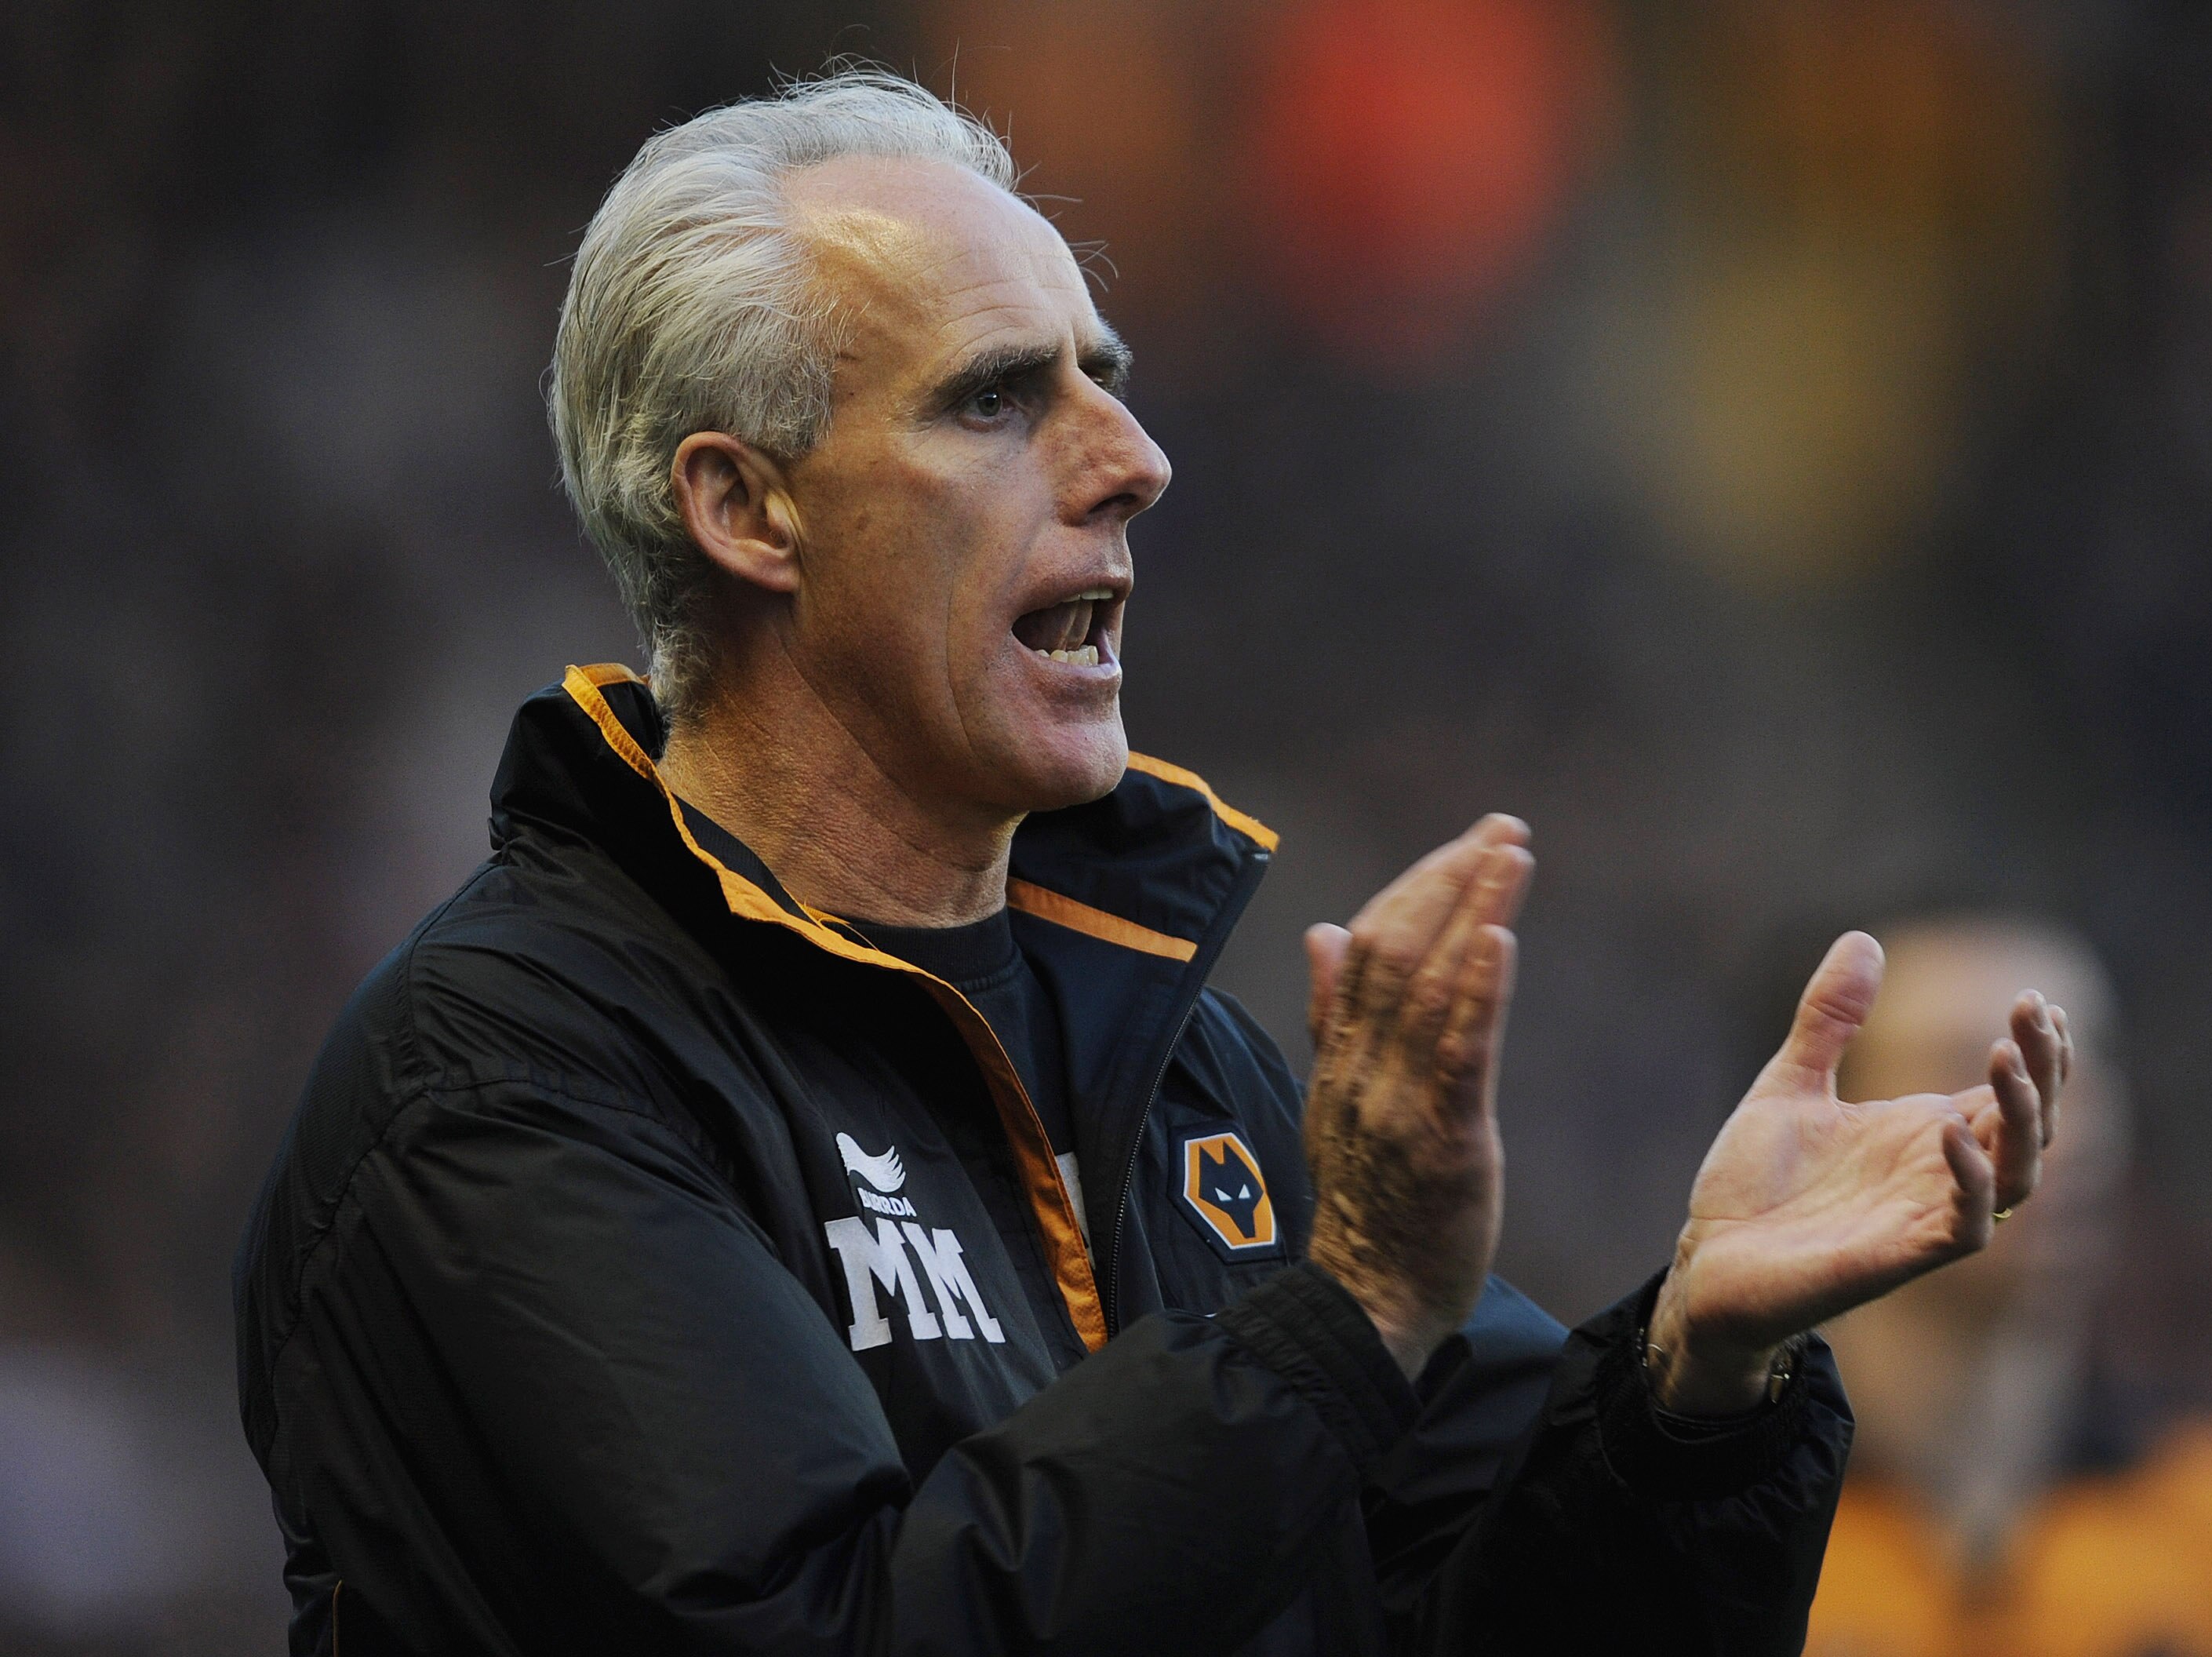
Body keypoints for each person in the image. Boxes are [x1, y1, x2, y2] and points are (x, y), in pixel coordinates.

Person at [232, 70, 2072, 1656]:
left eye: (1103, 380)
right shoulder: (509, 1079)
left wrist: (1697, 1375)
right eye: (996, 399)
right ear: (744, 505)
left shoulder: (1182, 1063)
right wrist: (1340, 1307)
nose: (1135, 457)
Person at [1806, 919, 2212, 1657]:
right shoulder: (1712, 1537)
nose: (2053, 1118)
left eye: (2079, 1061)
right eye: (1970, 1066)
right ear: (1818, 1128)